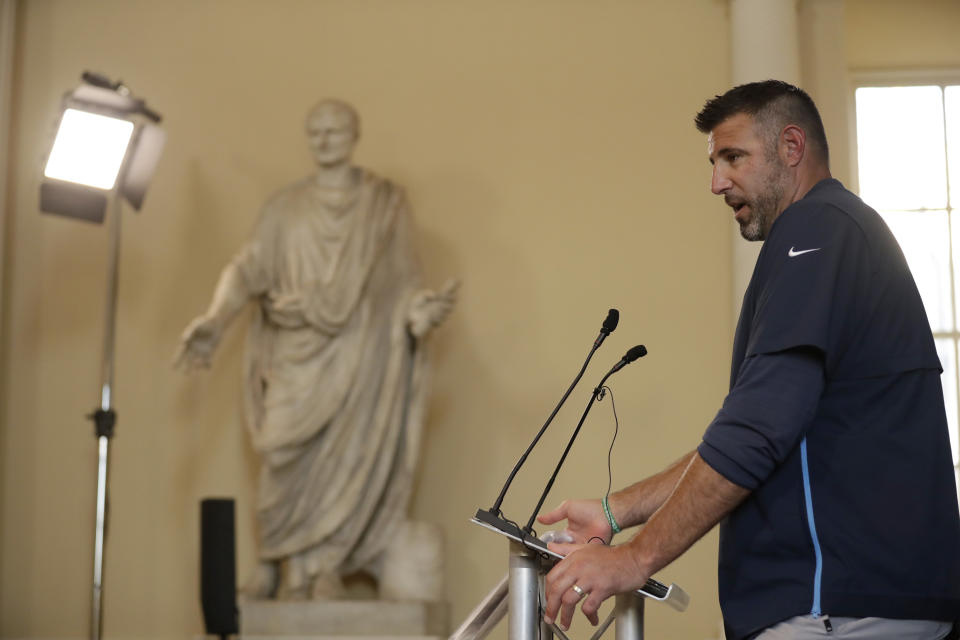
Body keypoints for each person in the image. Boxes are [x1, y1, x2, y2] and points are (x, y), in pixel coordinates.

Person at [539, 81, 960, 639]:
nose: (716, 182)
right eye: (714, 162)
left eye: (733, 157)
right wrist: (615, 512)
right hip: (852, 602)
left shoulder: (817, 229)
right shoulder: (836, 233)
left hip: (837, 603)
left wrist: (634, 559)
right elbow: (762, 431)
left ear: (791, 147)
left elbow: (756, 431)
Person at [175, 99, 457, 599]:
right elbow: (246, 268)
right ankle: (275, 559)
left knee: (345, 459)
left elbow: (404, 279)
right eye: (315, 131)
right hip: (294, 354)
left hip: (358, 356)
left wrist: (418, 313)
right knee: (278, 447)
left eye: (335, 130)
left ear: (354, 135)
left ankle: (323, 567)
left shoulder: (384, 204)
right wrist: (216, 321)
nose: (324, 139)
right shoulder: (283, 208)